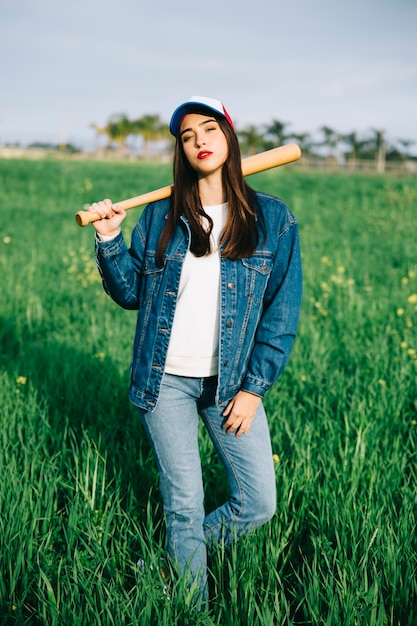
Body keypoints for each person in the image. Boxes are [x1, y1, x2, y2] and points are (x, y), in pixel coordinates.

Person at [88, 95, 302, 605]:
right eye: (187, 136)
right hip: (164, 381)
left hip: (230, 384)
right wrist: (110, 238)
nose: (200, 141)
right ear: (181, 151)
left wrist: (253, 389)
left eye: (209, 129)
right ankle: (191, 606)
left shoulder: (272, 218)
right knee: (184, 504)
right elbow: (131, 294)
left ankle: (171, 559)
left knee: (258, 504)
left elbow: (281, 312)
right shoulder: (161, 215)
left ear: (229, 137)